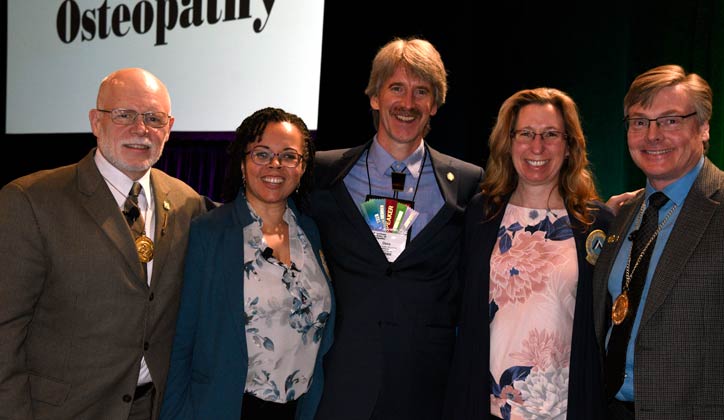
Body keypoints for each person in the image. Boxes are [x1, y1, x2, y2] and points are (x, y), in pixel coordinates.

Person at [0, 68, 206, 419]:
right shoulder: (30, 200)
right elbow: (6, 328)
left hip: (155, 407)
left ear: (168, 128)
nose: (140, 129)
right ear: (96, 122)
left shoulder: (186, 201)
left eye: (153, 118)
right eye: (124, 115)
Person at [593, 64, 724, 419]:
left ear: (703, 128)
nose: (652, 135)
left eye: (670, 120)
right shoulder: (624, 213)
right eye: (640, 121)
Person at [308, 37, 484, 420]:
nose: (408, 103)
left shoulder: (469, 183)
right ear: (374, 97)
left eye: (422, 92)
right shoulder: (322, 174)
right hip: (339, 380)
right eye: (397, 88)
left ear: (435, 105)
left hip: (428, 385)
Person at [444, 88, 612, 420]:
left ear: (569, 146)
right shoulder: (481, 214)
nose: (538, 147)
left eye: (551, 134)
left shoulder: (596, 222)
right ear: (509, 142)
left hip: (565, 405)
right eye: (526, 134)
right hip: (490, 404)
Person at [159, 107, 334, 420]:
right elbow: (182, 338)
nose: (275, 165)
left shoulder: (312, 231)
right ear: (242, 162)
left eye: (289, 156)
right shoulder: (209, 232)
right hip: (228, 406)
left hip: (301, 409)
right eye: (262, 154)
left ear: (303, 167)